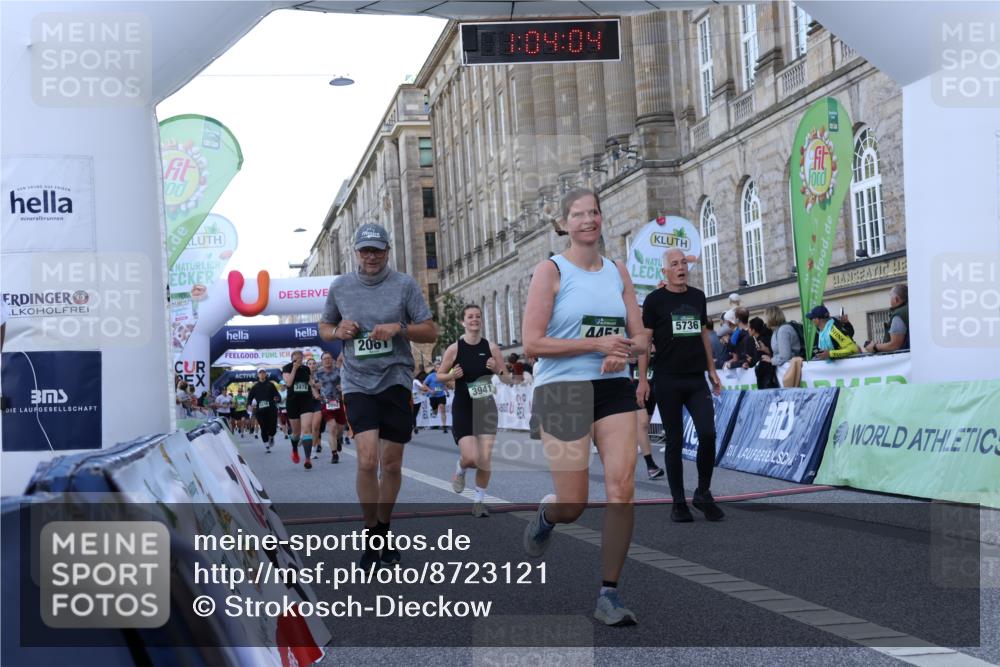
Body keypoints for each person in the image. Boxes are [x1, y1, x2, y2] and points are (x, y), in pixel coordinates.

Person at [521, 187, 645, 627]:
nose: (588, 220)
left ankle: (608, 593)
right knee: (574, 504)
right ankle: (547, 513)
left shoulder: (618, 271)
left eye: (594, 212)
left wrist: (626, 351)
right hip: (562, 390)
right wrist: (595, 344)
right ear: (563, 223)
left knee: (622, 488)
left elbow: (642, 335)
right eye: (578, 214)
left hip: (612, 387)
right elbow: (532, 343)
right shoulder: (550, 270)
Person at [318, 222, 438, 568]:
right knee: (368, 459)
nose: (371, 257)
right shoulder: (340, 286)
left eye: (377, 250)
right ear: (356, 252)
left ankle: (384, 528)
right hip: (357, 381)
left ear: (387, 251)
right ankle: (372, 537)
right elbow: (324, 327)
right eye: (365, 250)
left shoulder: (404, 285)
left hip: (395, 379)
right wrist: (337, 330)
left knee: (393, 463)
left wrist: (400, 328)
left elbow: (430, 331)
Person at [640, 247, 724, 524]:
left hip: (695, 379)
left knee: (708, 434)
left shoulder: (698, 296)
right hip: (667, 379)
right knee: (674, 440)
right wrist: (643, 380)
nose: (681, 267)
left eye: (684, 263)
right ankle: (678, 502)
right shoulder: (654, 301)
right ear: (664, 271)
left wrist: (712, 370)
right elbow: (644, 344)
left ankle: (703, 492)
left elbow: (703, 334)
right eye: (674, 264)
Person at [437, 304, 515, 518]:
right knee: (471, 458)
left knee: (485, 458)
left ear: (482, 320)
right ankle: (461, 469)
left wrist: (496, 370)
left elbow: (507, 379)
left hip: (486, 407)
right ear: (463, 322)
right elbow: (439, 376)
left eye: (478, 316)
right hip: (463, 407)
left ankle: (479, 501)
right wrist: (452, 374)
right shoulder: (455, 349)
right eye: (470, 317)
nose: (474, 320)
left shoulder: (492, 348)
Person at [283, 350, 323, 469]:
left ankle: (307, 459)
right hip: (293, 401)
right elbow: (289, 383)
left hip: (306, 401)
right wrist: (294, 369)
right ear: (292, 359)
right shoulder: (287, 367)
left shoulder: (306, 369)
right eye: (296, 358)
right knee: (296, 433)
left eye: (300, 358)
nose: (299, 360)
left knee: (307, 428)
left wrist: (316, 389)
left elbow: (310, 383)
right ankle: (294, 449)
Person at [630, 350, 666, 481]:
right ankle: (651, 466)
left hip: (653, 385)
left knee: (643, 427)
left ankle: (626, 450)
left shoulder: (655, 331)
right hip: (635, 384)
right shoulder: (632, 333)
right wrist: (629, 355)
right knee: (643, 424)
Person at [314, 350, 346, 463]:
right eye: (324, 359)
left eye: (329, 358)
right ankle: (334, 454)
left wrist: (342, 387)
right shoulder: (318, 373)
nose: (327, 360)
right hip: (326, 403)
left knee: (340, 429)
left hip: (339, 402)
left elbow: (346, 382)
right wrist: (316, 394)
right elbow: (313, 385)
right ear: (322, 361)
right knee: (332, 427)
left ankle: (339, 439)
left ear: (332, 360)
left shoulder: (339, 371)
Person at [760, 306, 805, 388]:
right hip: (785, 370)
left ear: (771, 317)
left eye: (765, 318)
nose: (765, 321)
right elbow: (779, 352)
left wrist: (771, 360)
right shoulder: (777, 330)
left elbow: (785, 356)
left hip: (790, 370)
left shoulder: (783, 330)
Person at [865, 283, 909, 353]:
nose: (890, 300)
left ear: (896, 299)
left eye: (890, 297)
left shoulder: (898, 315)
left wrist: (874, 346)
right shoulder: (909, 308)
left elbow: (894, 345)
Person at [248, 369, 281, 452]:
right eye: (260, 373)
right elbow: (250, 398)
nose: (262, 374)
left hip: (271, 409)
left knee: (273, 427)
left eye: (263, 373)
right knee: (263, 428)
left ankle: (271, 436)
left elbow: (277, 395)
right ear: (258, 375)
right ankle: (266, 445)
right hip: (260, 411)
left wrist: (278, 398)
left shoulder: (271, 385)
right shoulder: (255, 387)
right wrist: (249, 405)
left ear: (266, 374)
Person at [747, 317, 778, 389]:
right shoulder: (756, 340)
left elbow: (761, 358)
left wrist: (766, 350)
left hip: (766, 375)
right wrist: (751, 361)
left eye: (749, 328)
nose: (748, 330)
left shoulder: (763, 340)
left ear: (753, 330)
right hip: (763, 374)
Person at [422, 364, 449, 432]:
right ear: (435, 368)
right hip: (433, 396)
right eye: (437, 367)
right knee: (435, 411)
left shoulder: (443, 375)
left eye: (440, 367)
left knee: (442, 408)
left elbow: (444, 385)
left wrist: (447, 392)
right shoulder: (431, 376)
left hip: (441, 395)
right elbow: (424, 384)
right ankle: (434, 412)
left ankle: (444, 426)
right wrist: (430, 391)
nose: (439, 368)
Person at [411, 369, 429, 434]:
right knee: (413, 414)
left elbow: (422, 390)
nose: (424, 381)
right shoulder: (416, 381)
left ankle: (414, 426)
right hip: (412, 400)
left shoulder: (416, 381)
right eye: (424, 379)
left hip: (417, 400)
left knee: (414, 414)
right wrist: (429, 389)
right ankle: (414, 426)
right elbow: (422, 387)